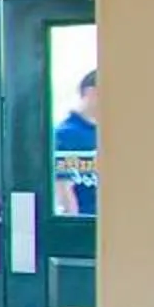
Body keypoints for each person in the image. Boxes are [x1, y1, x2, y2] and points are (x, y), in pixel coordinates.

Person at [53, 69, 99, 218]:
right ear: (90, 92)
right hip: (87, 223)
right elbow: (64, 190)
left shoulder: (115, 134)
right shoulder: (64, 135)